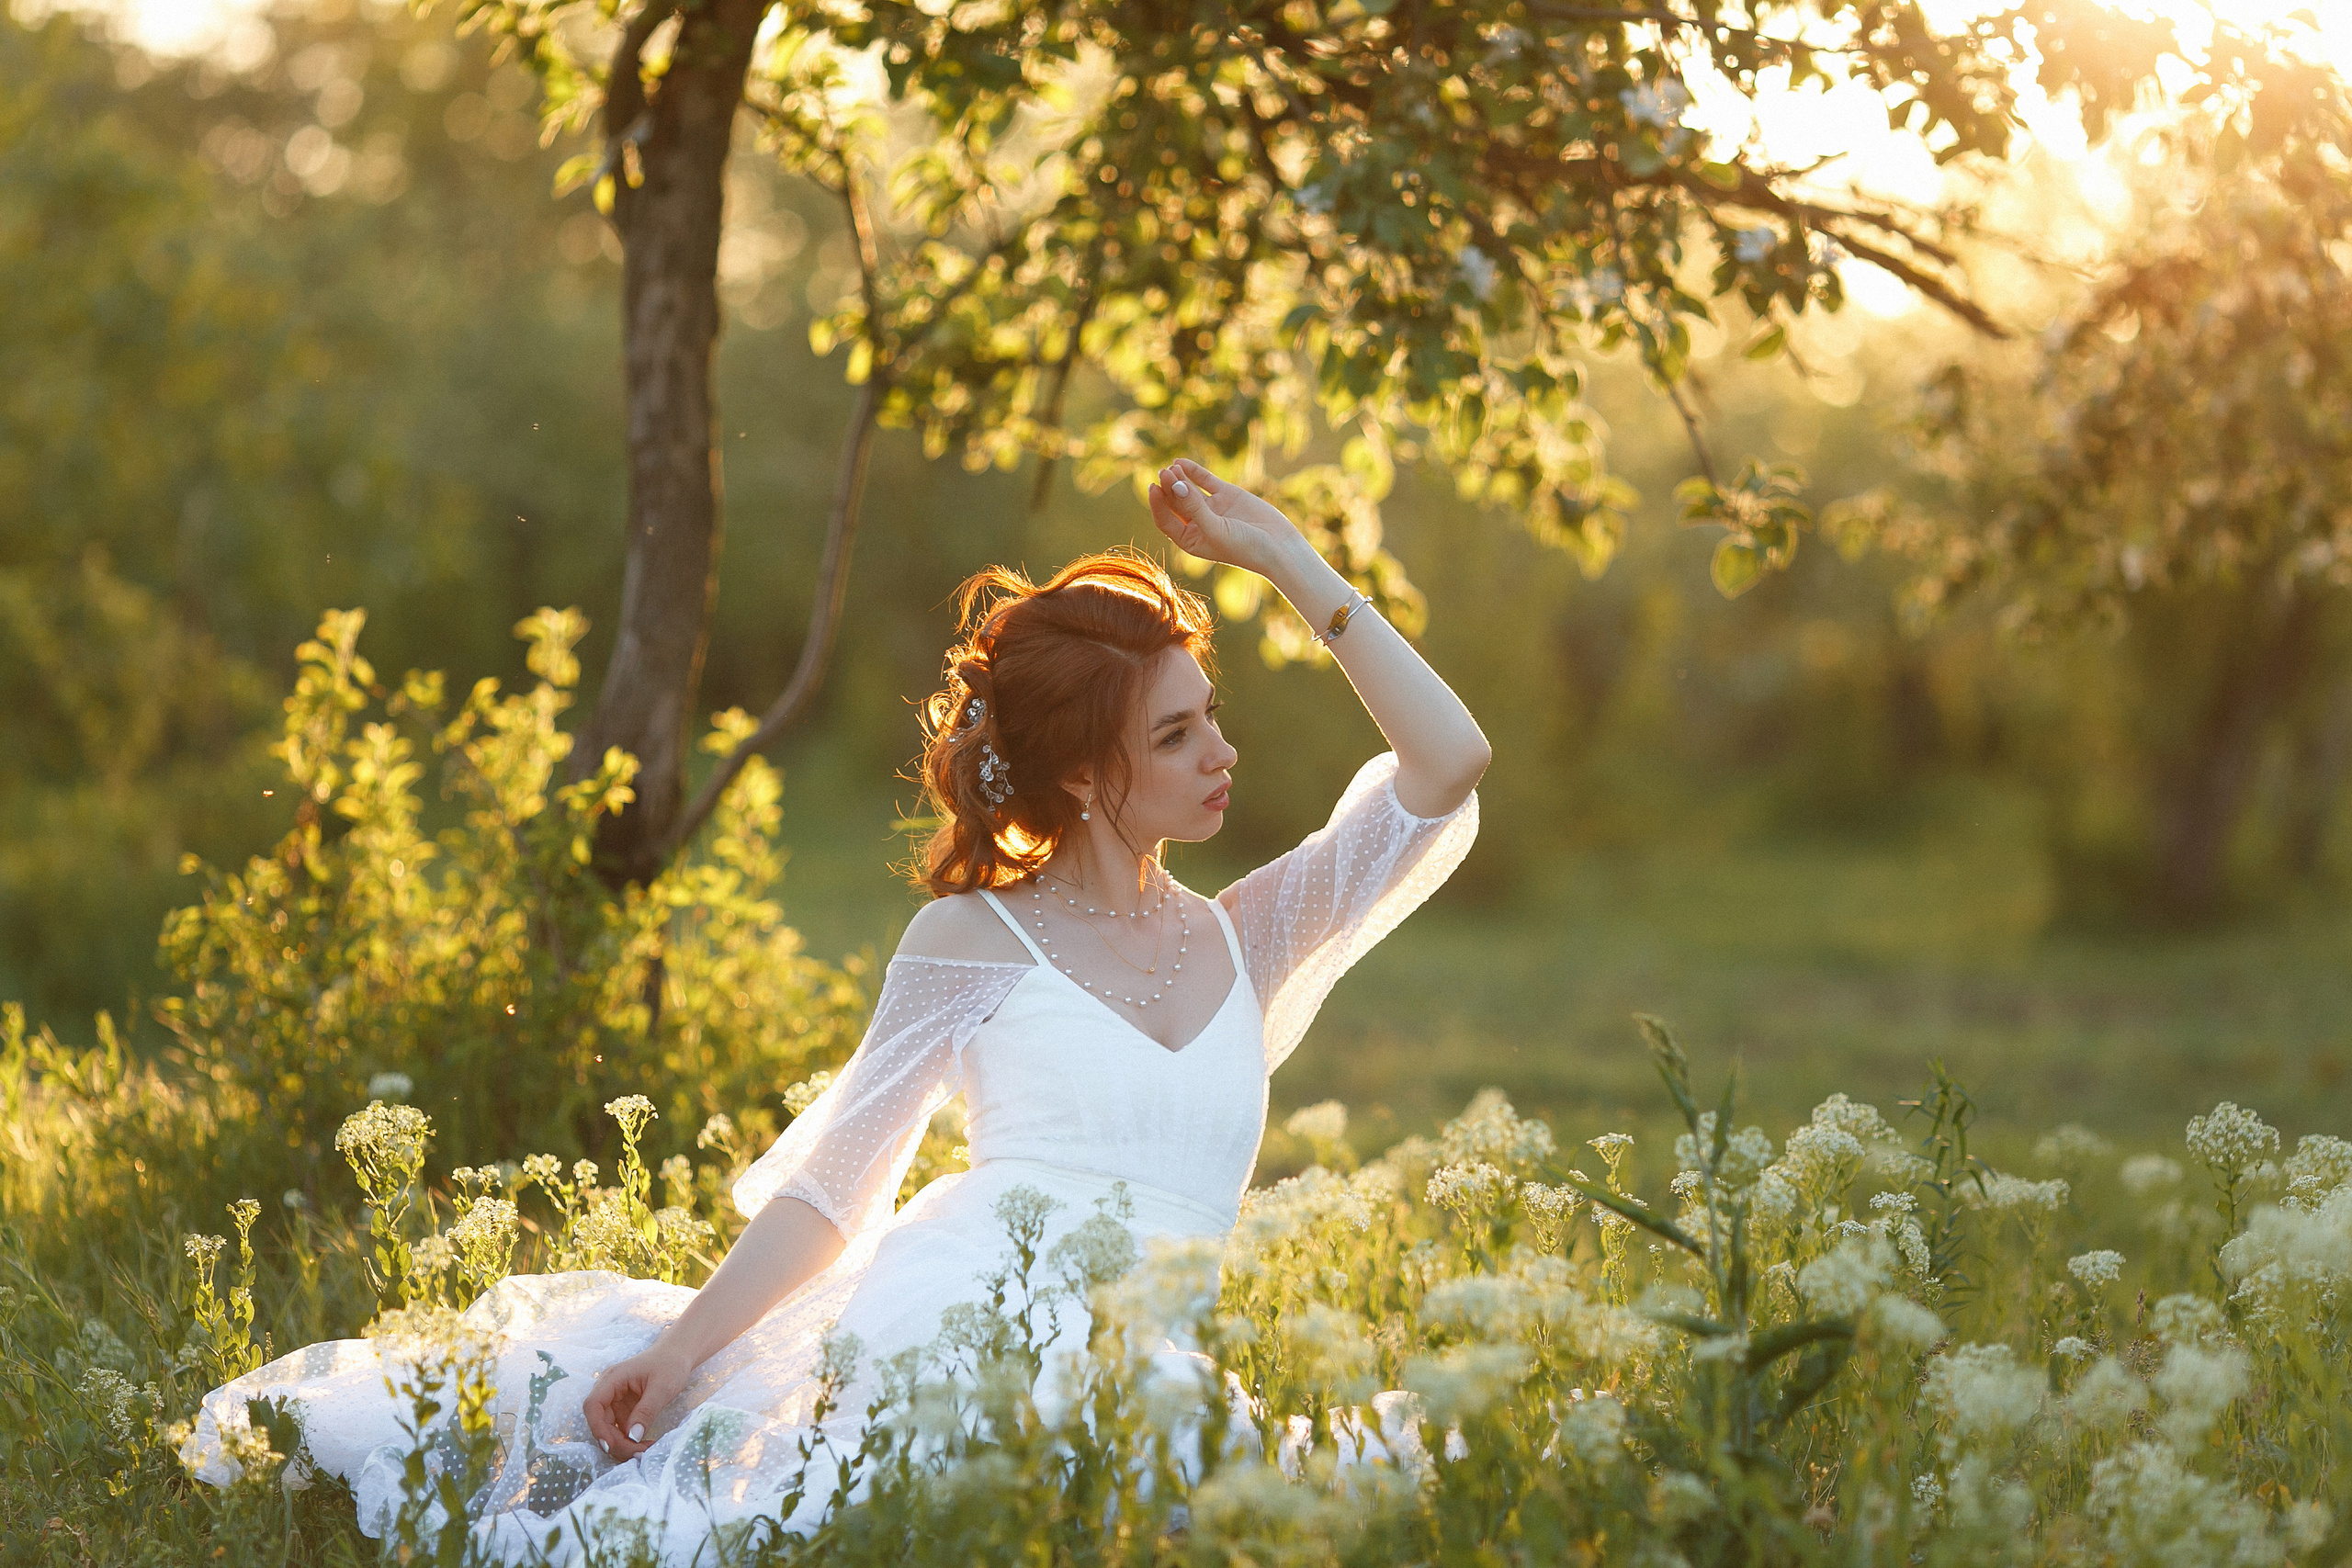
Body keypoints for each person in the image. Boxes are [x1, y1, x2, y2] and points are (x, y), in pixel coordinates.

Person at [182, 459, 1487, 1562]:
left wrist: (1288, 559)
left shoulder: (1247, 936)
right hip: (968, 1316)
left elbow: (1450, 760)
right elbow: (834, 1190)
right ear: (1088, 775)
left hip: (1154, 1370)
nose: (1224, 755)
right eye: (1177, 736)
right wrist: (687, 1353)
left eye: (1212, 722)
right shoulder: (972, 940)